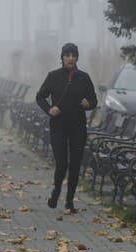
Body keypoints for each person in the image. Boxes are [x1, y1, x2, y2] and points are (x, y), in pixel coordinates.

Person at [35, 42, 98, 213]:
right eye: (67, 55)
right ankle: (56, 191)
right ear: (62, 58)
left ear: (77, 58)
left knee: (75, 164)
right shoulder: (53, 76)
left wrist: (88, 104)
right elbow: (40, 97)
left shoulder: (84, 78)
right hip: (58, 127)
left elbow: (94, 100)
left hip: (78, 127)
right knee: (62, 164)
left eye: (73, 55)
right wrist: (49, 109)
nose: (70, 58)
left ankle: (70, 202)